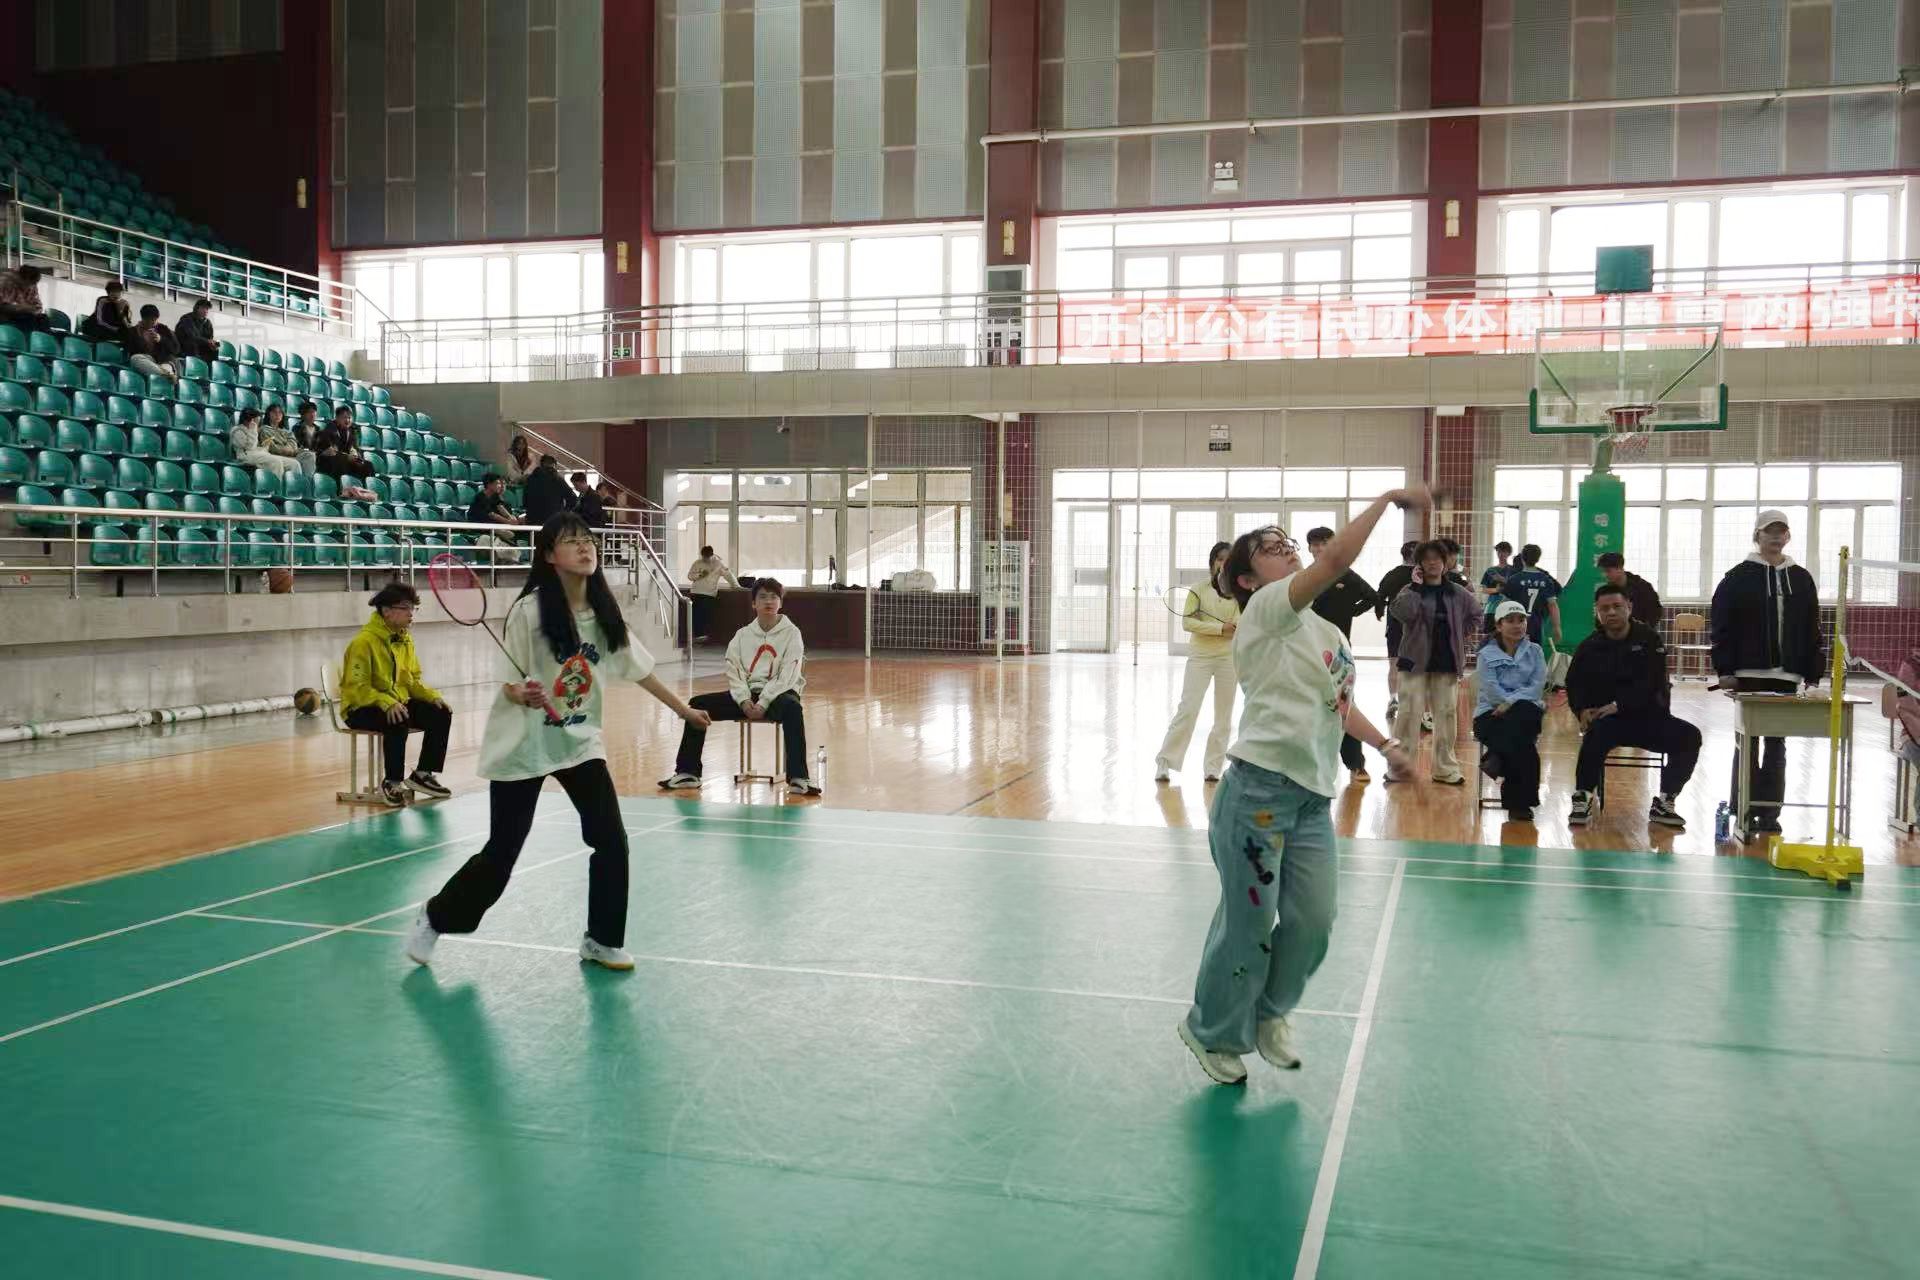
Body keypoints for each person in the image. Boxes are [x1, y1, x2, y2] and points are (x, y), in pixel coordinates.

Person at [1179, 485, 1423, 1087]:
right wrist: (1388, 499)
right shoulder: (1267, 610)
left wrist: (1387, 746)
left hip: (1313, 801)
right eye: (1270, 548)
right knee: (1248, 929)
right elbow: (1335, 560)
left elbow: (1340, 705)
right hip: (1255, 799)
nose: (1286, 549)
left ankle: (1269, 1014)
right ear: (1246, 580)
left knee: (1313, 923)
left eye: (1287, 541)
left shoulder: (1329, 635)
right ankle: (1211, 1031)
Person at [405, 515, 713, 969]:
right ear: (549, 555)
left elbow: (640, 669)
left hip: (578, 743)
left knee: (611, 841)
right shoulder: (529, 613)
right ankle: (436, 916)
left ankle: (601, 939)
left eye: (588, 540)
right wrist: (523, 694)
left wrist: (683, 710)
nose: (585, 548)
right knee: (502, 854)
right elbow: (509, 682)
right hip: (523, 744)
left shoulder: (604, 615)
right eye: (571, 541)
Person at [1709, 509, 1822, 834]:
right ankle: (1743, 807)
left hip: (1787, 676)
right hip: (1748, 674)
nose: (1775, 536)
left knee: (1777, 745)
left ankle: (1770, 813)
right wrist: (1724, 668)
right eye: (1769, 531)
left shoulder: (1801, 578)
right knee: (1746, 742)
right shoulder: (1737, 577)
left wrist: (1813, 671)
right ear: (1757, 535)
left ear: (1788, 536)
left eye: (1781, 531)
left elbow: (1812, 626)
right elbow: (1721, 625)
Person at [659, 577, 822, 796]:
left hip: (779, 695)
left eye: (773, 597)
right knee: (697, 705)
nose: (768, 601)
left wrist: (764, 701)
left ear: (780, 603)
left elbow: (788, 675)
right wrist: (744, 700)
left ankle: (798, 778)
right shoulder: (742, 636)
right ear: (754, 603)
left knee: (793, 708)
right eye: (762, 597)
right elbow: (734, 671)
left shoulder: (792, 634)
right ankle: (688, 772)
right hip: (746, 697)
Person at [1565, 582, 1700, 828]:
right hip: (1610, 722)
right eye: (1604, 608)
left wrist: (1620, 704)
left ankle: (1665, 801)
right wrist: (1581, 710)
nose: (1611, 612)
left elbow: (1654, 682)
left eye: (1617, 606)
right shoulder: (1589, 646)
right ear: (1597, 612)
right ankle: (1582, 796)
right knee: (1594, 734)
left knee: (1690, 736)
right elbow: (1574, 683)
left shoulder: (1649, 639)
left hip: (1649, 718)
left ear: (1629, 607)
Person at [340, 582, 455, 807]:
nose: (411, 614)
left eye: (413, 608)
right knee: (398, 718)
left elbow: (411, 680)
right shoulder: (363, 643)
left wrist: (432, 696)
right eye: (405, 608)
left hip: (395, 702)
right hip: (360, 707)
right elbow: (357, 687)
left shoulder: (404, 639)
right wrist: (387, 702)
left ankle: (422, 774)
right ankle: (392, 782)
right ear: (386, 611)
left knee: (440, 713)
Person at [1385, 539, 1479, 785]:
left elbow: (1476, 614)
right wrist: (1416, 588)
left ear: (1445, 562)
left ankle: (1445, 769)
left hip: (1446, 661)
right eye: (1427, 559)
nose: (1433, 563)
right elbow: (1401, 613)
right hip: (1413, 662)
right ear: (1419, 564)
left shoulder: (1458, 592)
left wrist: (1460, 634)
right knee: (1408, 714)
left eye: (1437, 558)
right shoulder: (1409, 590)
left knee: (1446, 715)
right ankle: (1402, 768)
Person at [1154, 541, 1240, 784]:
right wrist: (1220, 628)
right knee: (1188, 708)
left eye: (1228, 559)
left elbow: (1239, 622)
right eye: (1219, 559)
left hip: (1228, 658)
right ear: (1212, 562)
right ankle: (1165, 762)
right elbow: (1188, 623)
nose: (1223, 563)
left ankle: (1213, 767)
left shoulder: (1239, 592)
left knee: (1224, 715)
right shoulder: (1198, 589)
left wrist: (1232, 627)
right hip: (1200, 656)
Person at [1304, 526, 1385, 783]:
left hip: (1339, 650)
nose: (1319, 548)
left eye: (1323, 543)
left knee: (1345, 704)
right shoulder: (1304, 577)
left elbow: (1373, 597)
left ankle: (1356, 764)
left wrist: (1352, 610)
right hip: (1308, 648)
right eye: (1314, 544)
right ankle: (1310, 763)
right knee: (1307, 705)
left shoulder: (1345, 574)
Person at [1473, 599, 1547, 821]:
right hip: (1491, 716)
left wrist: (1511, 702)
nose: (1517, 625)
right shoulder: (1486, 655)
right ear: (1499, 625)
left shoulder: (1535, 651)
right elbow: (1491, 691)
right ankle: (1521, 805)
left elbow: (1537, 687)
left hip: (1526, 712)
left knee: (1524, 712)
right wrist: (1509, 703)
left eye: (1521, 620)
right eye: (1510, 621)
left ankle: (1497, 756)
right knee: (1524, 745)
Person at [1375, 540, 1418, 722]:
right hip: (1416, 625)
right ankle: (1411, 702)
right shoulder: (1423, 574)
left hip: (1394, 623)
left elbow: (1379, 595)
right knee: (1415, 664)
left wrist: (1379, 611)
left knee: (1394, 663)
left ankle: (1393, 699)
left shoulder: (1392, 574)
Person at [1502, 543, 1564, 648]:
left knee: (1515, 652)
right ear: (1538, 559)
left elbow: (1504, 604)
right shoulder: (1545, 580)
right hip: (1536, 624)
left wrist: (1500, 624)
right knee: (1535, 652)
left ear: (1522, 559)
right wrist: (1557, 627)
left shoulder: (1514, 579)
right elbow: (1553, 605)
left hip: (1516, 624)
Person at [685, 544, 741, 642]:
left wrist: (736, 586)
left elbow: (728, 575)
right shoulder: (697, 563)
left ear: (711, 555)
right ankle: (698, 637)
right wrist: (700, 575)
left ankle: (704, 636)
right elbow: (690, 576)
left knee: (706, 615)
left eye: (707, 557)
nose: (705, 559)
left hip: (709, 594)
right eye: (703, 557)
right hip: (696, 592)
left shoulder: (718, 564)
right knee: (696, 615)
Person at [1597, 552, 1662, 629]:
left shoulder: (1643, 587)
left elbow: (1655, 612)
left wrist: (1644, 630)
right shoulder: (1606, 592)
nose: (1605, 575)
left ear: (1619, 569)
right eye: (1603, 571)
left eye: (1608, 571)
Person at [230, 408, 299, 481]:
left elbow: (255, 446)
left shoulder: (253, 429)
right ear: (249, 420)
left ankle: (295, 486)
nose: (257, 424)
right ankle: (277, 486)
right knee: (276, 462)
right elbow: (249, 447)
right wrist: (252, 430)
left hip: (257, 453)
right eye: (256, 421)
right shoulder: (237, 430)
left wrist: (265, 446)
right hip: (245, 456)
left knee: (294, 464)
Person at [315, 404, 375, 483]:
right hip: (329, 461)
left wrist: (356, 454)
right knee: (341, 462)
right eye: (344, 417)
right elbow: (331, 451)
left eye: (349, 418)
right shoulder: (330, 429)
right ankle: (342, 487)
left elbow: (355, 447)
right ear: (337, 418)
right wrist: (347, 457)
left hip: (346, 459)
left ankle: (364, 487)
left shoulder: (352, 430)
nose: (347, 420)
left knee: (367, 465)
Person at [124, 305, 180, 380]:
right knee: (135, 359)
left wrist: (161, 339)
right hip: (147, 361)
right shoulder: (133, 332)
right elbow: (130, 350)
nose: (153, 322)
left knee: (167, 366)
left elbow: (176, 349)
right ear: (143, 319)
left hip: (164, 361)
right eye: (149, 320)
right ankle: (165, 374)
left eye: (155, 320)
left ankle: (165, 374)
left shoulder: (163, 329)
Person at [260, 403, 315, 476]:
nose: (277, 415)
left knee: (310, 455)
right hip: (275, 456)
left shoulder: (287, 432)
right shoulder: (264, 430)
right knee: (295, 463)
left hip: (291, 455)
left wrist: (290, 450)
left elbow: (294, 445)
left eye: (280, 412)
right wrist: (289, 450)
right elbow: (272, 447)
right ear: (268, 414)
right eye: (274, 412)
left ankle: (307, 480)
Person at [522, 454, 573, 527]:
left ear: (541, 465)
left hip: (532, 521)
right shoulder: (558, 480)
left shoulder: (530, 479)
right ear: (554, 465)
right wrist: (563, 513)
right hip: (554, 522)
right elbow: (573, 500)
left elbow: (525, 502)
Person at [0, 265, 52, 332]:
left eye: (33, 284)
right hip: (5, 314)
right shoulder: (4, 282)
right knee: (27, 320)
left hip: (22, 314)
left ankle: (41, 337)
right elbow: (2, 306)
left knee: (43, 319)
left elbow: (37, 306)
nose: (30, 287)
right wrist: (19, 308)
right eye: (28, 283)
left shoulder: (32, 285)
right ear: (20, 277)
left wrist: (32, 309)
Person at [1481, 540, 1514, 622]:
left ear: (1509, 553)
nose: (1501, 554)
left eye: (1504, 552)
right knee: (1490, 627)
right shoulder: (1490, 570)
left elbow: (1516, 587)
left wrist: (1502, 580)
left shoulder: (1513, 570)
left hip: (1508, 606)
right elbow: (1484, 589)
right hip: (1492, 606)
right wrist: (1496, 590)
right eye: (1499, 552)